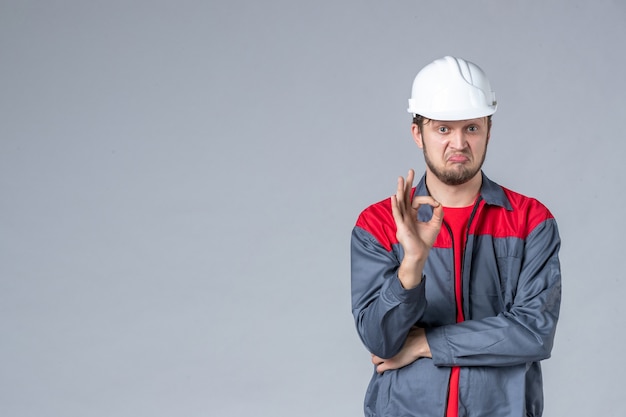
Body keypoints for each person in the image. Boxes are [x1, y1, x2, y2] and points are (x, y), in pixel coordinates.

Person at [350, 56, 561, 417]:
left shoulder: (530, 221)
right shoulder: (380, 224)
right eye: (443, 129)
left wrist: (426, 343)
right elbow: (380, 341)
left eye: (472, 128)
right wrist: (412, 264)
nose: (459, 143)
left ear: (489, 131)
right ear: (418, 133)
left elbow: (533, 332)